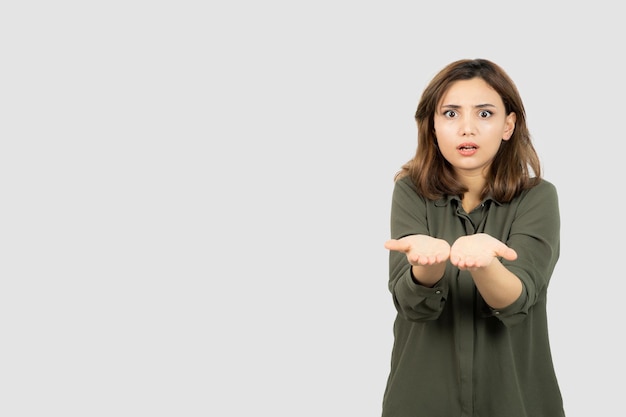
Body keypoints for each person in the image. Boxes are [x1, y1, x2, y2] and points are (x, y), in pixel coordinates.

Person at [381, 58, 565, 417]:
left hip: (516, 402)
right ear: (432, 126)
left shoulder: (538, 197)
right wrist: (425, 266)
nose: (467, 129)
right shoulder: (410, 192)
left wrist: (483, 264)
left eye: (484, 114)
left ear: (508, 125)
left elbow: (518, 299)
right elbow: (409, 302)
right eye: (450, 114)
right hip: (420, 401)